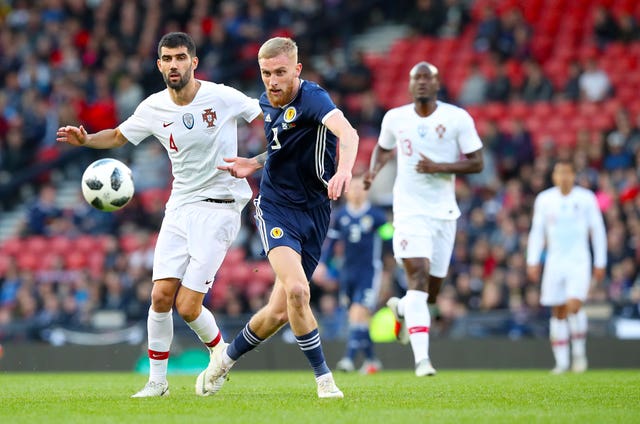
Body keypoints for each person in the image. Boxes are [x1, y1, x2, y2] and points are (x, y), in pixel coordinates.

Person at [56, 32, 262, 397]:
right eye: (166, 59)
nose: (173, 65)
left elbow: (266, 114)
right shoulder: (153, 107)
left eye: (180, 57)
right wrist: (86, 140)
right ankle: (157, 383)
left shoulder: (222, 96)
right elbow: (119, 136)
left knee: (187, 305)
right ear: (159, 65)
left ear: (193, 62)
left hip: (220, 207)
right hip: (180, 206)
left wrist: (261, 159)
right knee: (161, 297)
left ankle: (220, 353)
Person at [203, 36, 359, 398]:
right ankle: (325, 380)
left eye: (280, 73)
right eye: (266, 73)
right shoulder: (266, 101)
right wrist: (253, 163)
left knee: (277, 313)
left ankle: (224, 360)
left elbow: (347, 133)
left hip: (316, 212)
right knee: (299, 290)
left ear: (297, 70)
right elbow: (279, 145)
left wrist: (344, 171)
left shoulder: (314, 99)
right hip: (275, 207)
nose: (272, 81)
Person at [363, 61, 483, 377]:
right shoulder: (395, 118)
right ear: (409, 84)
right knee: (417, 276)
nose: (421, 83)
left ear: (437, 83)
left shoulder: (457, 118)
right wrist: (373, 171)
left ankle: (403, 308)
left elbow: (477, 162)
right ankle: (422, 361)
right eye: (416, 78)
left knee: (429, 293)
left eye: (427, 78)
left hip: (444, 213)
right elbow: (383, 148)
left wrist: (440, 167)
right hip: (408, 211)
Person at [526, 159, 607, 374]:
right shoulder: (545, 199)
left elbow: (597, 230)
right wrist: (532, 260)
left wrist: (601, 261)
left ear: (574, 175)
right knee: (558, 311)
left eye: (567, 172)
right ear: (554, 176)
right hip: (554, 261)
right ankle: (561, 362)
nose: (563, 177)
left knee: (574, 305)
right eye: (559, 172)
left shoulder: (586, 198)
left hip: (579, 260)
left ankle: (579, 353)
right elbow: (537, 231)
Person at [315, 175, 389, 375]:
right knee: (358, 318)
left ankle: (348, 359)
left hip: (369, 271)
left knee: (358, 312)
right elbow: (331, 244)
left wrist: (394, 238)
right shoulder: (340, 216)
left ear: (366, 191)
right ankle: (372, 360)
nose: (357, 191)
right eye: (353, 187)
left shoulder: (376, 215)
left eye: (360, 187)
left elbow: (388, 238)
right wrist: (322, 264)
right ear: (348, 191)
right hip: (347, 273)